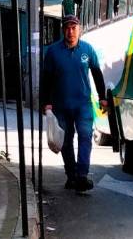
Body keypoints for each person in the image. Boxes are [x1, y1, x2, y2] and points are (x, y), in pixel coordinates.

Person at [40, 15, 108, 192]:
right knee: (66, 141)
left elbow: (97, 74)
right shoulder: (53, 52)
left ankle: (82, 175)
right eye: (67, 28)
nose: (70, 31)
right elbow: (45, 79)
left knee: (85, 137)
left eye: (74, 28)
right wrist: (46, 103)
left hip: (83, 104)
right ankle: (71, 175)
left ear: (79, 29)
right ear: (63, 30)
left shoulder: (87, 50)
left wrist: (102, 96)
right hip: (61, 105)